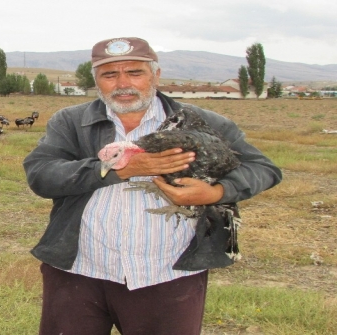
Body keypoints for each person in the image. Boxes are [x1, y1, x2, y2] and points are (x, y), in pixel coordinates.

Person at [23, 37, 282, 335]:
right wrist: (116, 170)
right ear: (96, 80)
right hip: (78, 270)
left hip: (165, 275)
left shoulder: (204, 123)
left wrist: (216, 193)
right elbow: (41, 175)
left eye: (135, 72)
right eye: (109, 75)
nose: (122, 83)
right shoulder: (70, 121)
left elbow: (264, 169)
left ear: (156, 75)